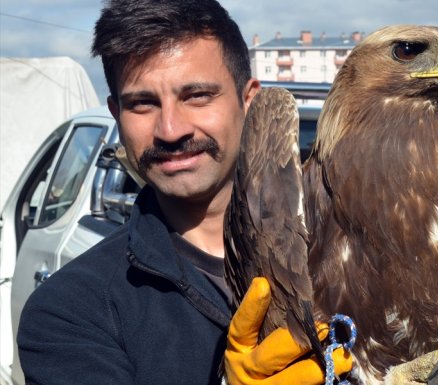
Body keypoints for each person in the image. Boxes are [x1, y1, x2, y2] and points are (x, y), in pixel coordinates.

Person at [16, 0, 351, 384]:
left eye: (197, 96)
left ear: (249, 99)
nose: (171, 130)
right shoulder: (71, 309)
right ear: (116, 114)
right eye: (142, 103)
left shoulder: (354, 247)